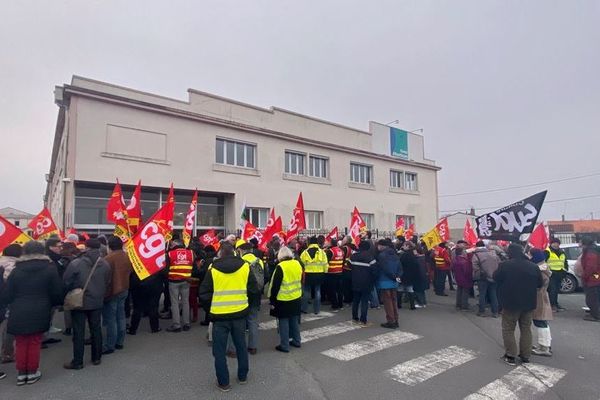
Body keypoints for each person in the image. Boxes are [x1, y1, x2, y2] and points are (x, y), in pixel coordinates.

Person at [0, 241, 63, 385]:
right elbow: (57, 292)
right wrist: (54, 304)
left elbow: (6, 294)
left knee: (21, 342)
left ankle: (21, 373)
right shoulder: (49, 268)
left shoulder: (17, 269)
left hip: (18, 309)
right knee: (35, 341)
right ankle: (32, 372)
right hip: (41, 308)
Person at [199, 242, 259, 392]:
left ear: (220, 253)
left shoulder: (212, 268)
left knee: (219, 351)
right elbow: (253, 289)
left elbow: (204, 294)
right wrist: (246, 306)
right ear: (234, 252)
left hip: (219, 317)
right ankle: (242, 376)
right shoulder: (245, 266)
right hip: (239, 313)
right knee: (240, 346)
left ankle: (224, 382)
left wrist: (210, 311)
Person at [63, 239, 111, 370]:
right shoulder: (105, 264)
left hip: (79, 301)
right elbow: (107, 282)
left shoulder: (76, 263)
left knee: (78, 332)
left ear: (86, 248)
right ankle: (97, 357)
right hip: (97, 301)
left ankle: (78, 361)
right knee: (96, 329)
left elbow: (66, 281)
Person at [494, 243, 543, 366]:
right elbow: (540, 284)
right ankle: (525, 355)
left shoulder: (505, 265)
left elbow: (496, 277)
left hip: (510, 302)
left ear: (510, 253)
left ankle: (510, 355)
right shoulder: (533, 266)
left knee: (508, 328)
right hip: (528, 302)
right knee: (526, 328)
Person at [268, 246, 302, 352]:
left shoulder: (280, 267)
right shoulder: (297, 263)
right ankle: (297, 341)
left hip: (283, 299)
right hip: (296, 296)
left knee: (283, 322)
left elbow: (275, 285)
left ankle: (284, 345)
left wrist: (272, 300)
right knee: (294, 320)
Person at [102, 236, 132, 354]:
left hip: (112, 291)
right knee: (121, 316)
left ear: (109, 246)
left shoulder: (108, 258)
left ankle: (110, 345)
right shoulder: (126, 256)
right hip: (124, 288)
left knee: (111, 319)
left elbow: (105, 277)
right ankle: (120, 342)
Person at [236, 241, 264, 354]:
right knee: (253, 320)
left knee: (241, 321)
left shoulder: (241, 262)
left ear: (241, 251)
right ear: (251, 250)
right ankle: (253, 347)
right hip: (256, 293)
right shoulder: (259, 261)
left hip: (244, 293)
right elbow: (265, 276)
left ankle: (240, 346)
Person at [529, 249, 553, 357]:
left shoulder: (540, 270)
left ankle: (544, 346)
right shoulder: (543, 267)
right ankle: (545, 344)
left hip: (539, 297)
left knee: (540, 321)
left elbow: (540, 283)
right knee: (541, 321)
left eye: (530, 254)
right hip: (541, 296)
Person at [166, 241, 194, 332]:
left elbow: (166, 269)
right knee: (185, 302)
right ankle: (186, 324)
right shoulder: (191, 253)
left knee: (175, 303)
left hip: (173, 281)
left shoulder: (170, 254)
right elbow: (194, 267)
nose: (170, 246)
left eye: (172, 244)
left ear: (176, 245)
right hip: (186, 281)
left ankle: (176, 325)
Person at [0, 244, 22, 364]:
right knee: (8, 328)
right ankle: (7, 353)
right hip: (8, 300)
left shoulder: (1, 262)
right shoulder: (13, 266)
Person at [128, 268, 165, 335]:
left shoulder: (136, 257)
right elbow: (164, 271)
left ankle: (133, 329)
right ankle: (154, 328)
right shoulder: (156, 257)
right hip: (155, 283)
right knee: (153, 307)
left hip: (138, 283)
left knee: (137, 308)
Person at [349, 241, 378, 327]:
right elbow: (375, 271)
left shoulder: (353, 256)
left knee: (356, 300)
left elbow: (348, 265)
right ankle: (363, 320)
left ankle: (354, 318)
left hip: (355, 281)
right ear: (368, 248)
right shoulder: (370, 257)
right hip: (367, 282)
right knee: (364, 301)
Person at [375, 239, 402, 328]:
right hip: (394, 281)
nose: (377, 247)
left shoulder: (382, 255)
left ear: (382, 246)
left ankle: (391, 321)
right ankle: (396, 319)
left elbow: (385, 268)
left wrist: (393, 276)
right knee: (394, 300)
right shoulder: (395, 254)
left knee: (387, 302)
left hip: (385, 280)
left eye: (378, 245)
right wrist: (397, 276)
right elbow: (400, 268)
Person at [300, 237, 328, 315]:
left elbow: (301, 264)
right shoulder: (322, 252)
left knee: (306, 292)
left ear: (309, 243)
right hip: (319, 274)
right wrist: (325, 272)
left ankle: (304, 309)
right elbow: (325, 263)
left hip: (308, 275)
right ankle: (317, 310)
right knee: (317, 292)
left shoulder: (305, 252)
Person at [472, 241, 500, 317]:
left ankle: (482, 311)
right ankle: (495, 312)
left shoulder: (477, 255)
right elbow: (499, 264)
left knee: (482, 294)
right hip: (494, 277)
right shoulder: (493, 254)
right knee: (493, 294)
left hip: (482, 277)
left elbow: (475, 266)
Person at [578, 236, 600, 322]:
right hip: (596, 277)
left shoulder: (591, 253)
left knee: (592, 298)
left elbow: (591, 267)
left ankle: (595, 315)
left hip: (593, 278)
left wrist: (584, 276)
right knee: (595, 297)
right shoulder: (594, 249)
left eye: (580, 242)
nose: (579, 244)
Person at [545, 238, 568, 312]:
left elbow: (565, 262)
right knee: (552, 290)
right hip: (551, 274)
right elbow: (544, 262)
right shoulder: (547, 251)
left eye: (557, 243)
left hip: (560, 273)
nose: (556, 244)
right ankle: (552, 305)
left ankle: (556, 304)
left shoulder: (562, 252)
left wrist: (565, 270)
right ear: (551, 244)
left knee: (557, 290)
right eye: (554, 243)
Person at [325, 238, 345, 311]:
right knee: (340, 290)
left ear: (331, 244)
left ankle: (335, 305)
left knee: (332, 290)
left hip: (331, 273)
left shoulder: (330, 251)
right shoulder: (341, 251)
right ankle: (341, 305)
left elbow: (326, 261)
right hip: (340, 272)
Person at [452, 246, 473, 311]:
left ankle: (458, 304)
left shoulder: (455, 259)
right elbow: (467, 271)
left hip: (458, 277)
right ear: (462, 252)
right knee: (465, 292)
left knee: (459, 291)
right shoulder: (464, 261)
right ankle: (464, 306)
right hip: (465, 278)